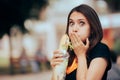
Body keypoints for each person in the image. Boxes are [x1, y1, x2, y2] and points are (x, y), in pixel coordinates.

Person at [50, 4, 111, 80]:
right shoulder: (67, 53)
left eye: (81, 23)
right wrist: (56, 69)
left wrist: (81, 55)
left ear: (92, 28)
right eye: (71, 23)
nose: (74, 29)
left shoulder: (100, 49)